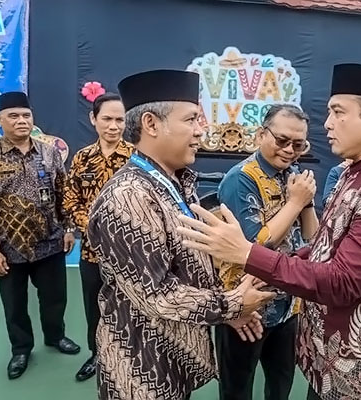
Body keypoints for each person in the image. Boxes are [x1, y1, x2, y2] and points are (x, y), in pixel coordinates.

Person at [178, 63, 361, 400]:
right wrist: (262, 266)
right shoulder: (354, 172)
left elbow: (343, 282)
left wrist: (250, 254)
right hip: (326, 352)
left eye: (337, 112)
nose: (327, 123)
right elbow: (324, 245)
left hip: (359, 365)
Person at [87, 70, 274, 400]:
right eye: (190, 119)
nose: (201, 130)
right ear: (151, 124)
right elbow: (158, 295)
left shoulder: (175, 182)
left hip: (172, 354)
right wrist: (231, 304)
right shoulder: (128, 197)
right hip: (140, 364)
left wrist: (227, 308)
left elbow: (185, 265)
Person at [0, 91, 80, 380]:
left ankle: (55, 336)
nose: (21, 121)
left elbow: (63, 193)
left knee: (55, 299)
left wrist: (68, 229)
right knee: (14, 306)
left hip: (50, 243)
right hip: (9, 249)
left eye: (26, 115)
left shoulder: (50, 152)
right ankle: (21, 349)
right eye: (13, 116)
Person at [215, 104, 319, 400]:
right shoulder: (241, 178)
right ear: (261, 134)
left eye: (298, 145)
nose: (289, 151)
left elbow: (312, 237)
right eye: (282, 140)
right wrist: (295, 202)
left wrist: (307, 201)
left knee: (281, 385)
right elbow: (255, 246)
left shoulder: (293, 174)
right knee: (237, 389)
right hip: (245, 305)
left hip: (288, 305)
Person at [63, 93, 133, 382]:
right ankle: (97, 354)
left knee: (129, 308)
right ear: (93, 119)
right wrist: (93, 228)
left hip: (130, 255)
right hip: (92, 253)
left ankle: (128, 356)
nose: (113, 126)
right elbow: (70, 199)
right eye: (107, 119)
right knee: (94, 306)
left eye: (119, 120)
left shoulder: (138, 159)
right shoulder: (82, 158)